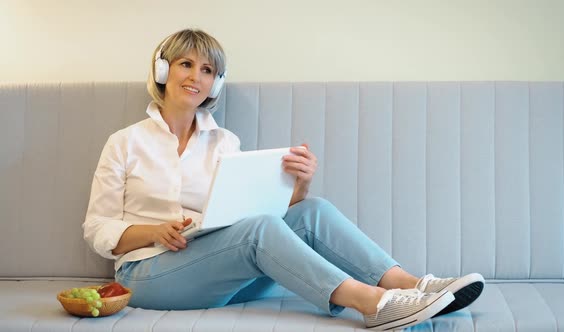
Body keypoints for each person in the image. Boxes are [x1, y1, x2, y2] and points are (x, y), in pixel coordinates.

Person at [83, 28, 484, 331]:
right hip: (148, 274)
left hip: (218, 267)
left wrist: (299, 187)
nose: (196, 77)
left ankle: (413, 284)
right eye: (186, 64)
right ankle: (375, 304)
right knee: (257, 231)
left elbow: (256, 219)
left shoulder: (224, 142)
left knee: (312, 211)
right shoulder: (125, 143)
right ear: (163, 69)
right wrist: (154, 232)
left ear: (215, 83)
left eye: (207, 70)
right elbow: (97, 229)